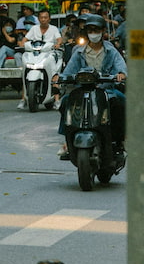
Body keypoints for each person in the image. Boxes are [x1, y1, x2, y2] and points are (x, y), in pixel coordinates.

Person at [52, 14, 126, 160]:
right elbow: (68, 71)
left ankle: (119, 141)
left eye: (96, 30)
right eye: (90, 30)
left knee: (121, 101)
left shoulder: (111, 51)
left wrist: (121, 74)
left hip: (106, 90)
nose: (93, 33)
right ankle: (67, 139)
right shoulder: (78, 51)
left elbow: (121, 67)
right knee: (65, 101)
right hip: (82, 90)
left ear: (103, 31)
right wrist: (58, 78)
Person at [15, 9, 62, 110]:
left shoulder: (54, 29)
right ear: (39, 19)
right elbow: (25, 39)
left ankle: (57, 100)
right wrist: (22, 44)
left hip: (49, 54)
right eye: (41, 17)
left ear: (49, 19)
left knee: (54, 75)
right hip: (34, 53)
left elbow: (59, 39)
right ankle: (23, 99)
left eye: (45, 17)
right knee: (26, 73)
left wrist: (58, 44)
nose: (43, 19)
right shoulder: (34, 28)